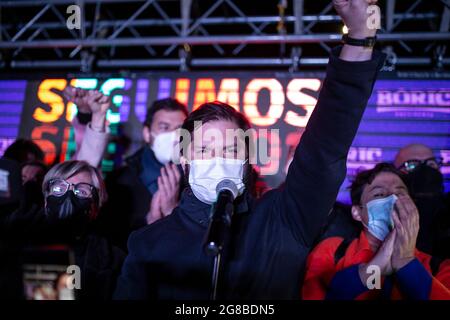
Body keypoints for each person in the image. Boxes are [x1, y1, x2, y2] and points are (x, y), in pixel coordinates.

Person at [114, 0, 386, 299]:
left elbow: (325, 145)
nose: (218, 159)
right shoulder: (148, 243)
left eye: (231, 150)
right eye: (205, 149)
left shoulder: (282, 218)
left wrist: (359, 37)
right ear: (184, 157)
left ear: (247, 158)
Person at [302, 163, 450, 300]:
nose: (392, 199)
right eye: (379, 194)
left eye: (400, 193)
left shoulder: (439, 266)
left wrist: (406, 262)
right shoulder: (334, 250)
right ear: (357, 212)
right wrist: (375, 268)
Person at [1, 160, 125, 300]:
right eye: (59, 189)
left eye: (81, 191)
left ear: (97, 205)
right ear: (46, 201)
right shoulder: (15, 245)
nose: (69, 196)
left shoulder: (114, 260)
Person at [98, 98, 188, 247]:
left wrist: (174, 214)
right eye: (164, 127)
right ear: (147, 133)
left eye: (179, 129)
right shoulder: (120, 180)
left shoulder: (197, 181)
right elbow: (109, 240)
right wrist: (148, 223)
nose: (173, 136)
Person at [394, 143, 449, 257]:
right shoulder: (389, 214)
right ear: (396, 174)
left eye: (431, 164)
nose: (425, 169)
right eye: (412, 165)